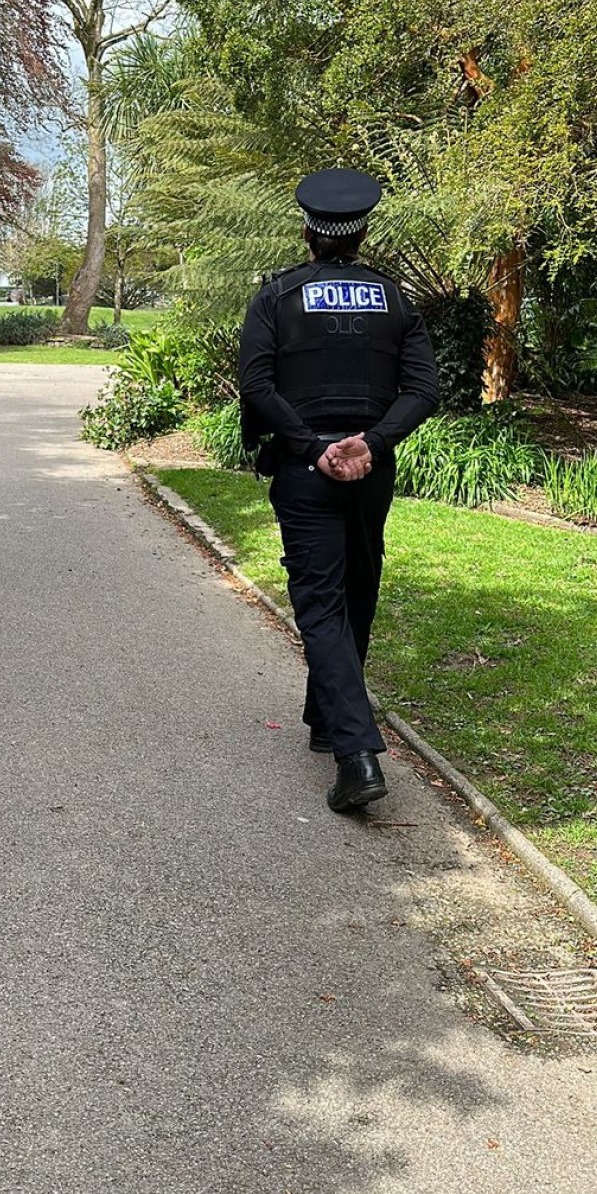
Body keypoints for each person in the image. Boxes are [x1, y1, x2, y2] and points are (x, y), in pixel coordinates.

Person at [239, 167, 439, 813]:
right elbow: (422, 391)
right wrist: (371, 445)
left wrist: (309, 447)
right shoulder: (395, 299)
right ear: (362, 232)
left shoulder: (278, 296)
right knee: (356, 591)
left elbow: (258, 385)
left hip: (306, 469)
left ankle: (357, 757)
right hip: (368, 469)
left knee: (322, 604)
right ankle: (327, 723)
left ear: (308, 232)